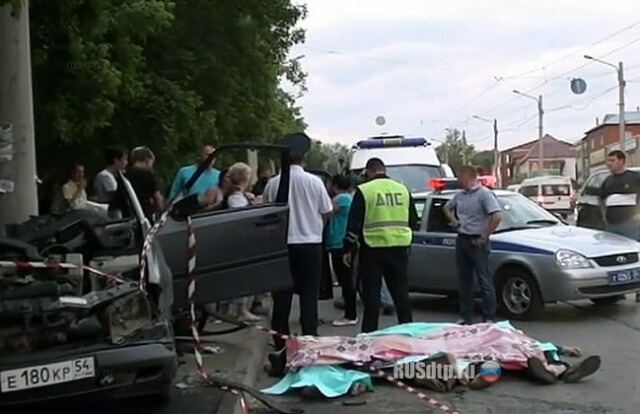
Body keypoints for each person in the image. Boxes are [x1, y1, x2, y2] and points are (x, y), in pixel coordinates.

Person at [263, 132, 333, 376]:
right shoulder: (314, 182)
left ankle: (281, 352)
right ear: (305, 156)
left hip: (282, 247)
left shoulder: (273, 183)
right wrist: (315, 225)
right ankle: (309, 350)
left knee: (281, 302)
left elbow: (266, 215)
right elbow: (326, 210)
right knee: (308, 298)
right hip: (310, 245)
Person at [343, 157, 418, 333]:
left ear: (369, 171)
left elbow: (354, 223)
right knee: (401, 293)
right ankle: (409, 332)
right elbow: (413, 220)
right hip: (399, 247)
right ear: (384, 170)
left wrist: (349, 249)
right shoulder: (402, 189)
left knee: (372, 295)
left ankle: (370, 335)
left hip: (373, 248)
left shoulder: (365, 190)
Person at [443, 165, 503, 325]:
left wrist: (485, 236)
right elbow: (446, 208)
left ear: (467, 176)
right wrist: (454, 221)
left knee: (484, 280)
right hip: (462, 238)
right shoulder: (460, 196)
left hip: (477, 241)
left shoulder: (484, 194)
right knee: (464, 281)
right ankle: (465, 316)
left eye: (459, 176)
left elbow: (496, 216)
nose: (457, 180)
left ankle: (489, 316)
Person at [223, 162, 262, 322]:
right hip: (239, 240)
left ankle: (235, 308)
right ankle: (240, 309)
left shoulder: (236, 195)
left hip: (235, 240)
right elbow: (240, 217)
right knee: (243, 275)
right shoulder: (236, 198)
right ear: (245, 178)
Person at [599, 150, 640, 302]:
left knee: (635, 256)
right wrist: (605, 217)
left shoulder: (634, 177)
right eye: (608, 160)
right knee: (616, 258)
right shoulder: (608, 181)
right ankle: (618, 289)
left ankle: (638, 289)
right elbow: (601, 200)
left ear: (622, 161)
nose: (609, 163)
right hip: (612, 224)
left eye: (612, 160)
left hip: (630, 223)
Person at [326, 174, 357, 327]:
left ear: (335, 185)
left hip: (339, 243)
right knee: (346, 279)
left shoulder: (341, 199)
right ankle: (350, 312)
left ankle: (350, 314)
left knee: (345, 279)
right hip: (343, 242)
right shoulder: (349, 198)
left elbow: (326, 211)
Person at [124, 146, 164, 221]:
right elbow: (157, 198)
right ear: (147, 160)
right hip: (146, 214)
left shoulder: (125, 175)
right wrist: (161, 211)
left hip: (129, 215)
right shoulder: (148, 175)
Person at [93, 146, 128, 218]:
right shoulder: (105, 176)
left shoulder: (117, 175)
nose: (126, 163)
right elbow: (116, 193)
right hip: (109, 212)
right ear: (116, 160)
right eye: (124, 159)